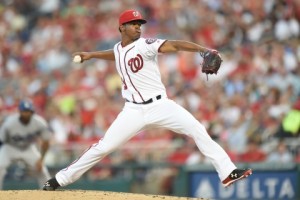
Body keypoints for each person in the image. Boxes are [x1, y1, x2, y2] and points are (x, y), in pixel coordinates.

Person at [43, 9, 252, 191]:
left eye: (139, 24)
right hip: (132, 111)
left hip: (161, 105)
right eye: (133, 24)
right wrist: (91, 55)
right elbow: (115, 54)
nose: (138, 27)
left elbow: (175, 45)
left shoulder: (146, 45)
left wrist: (202, 49)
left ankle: (228, 172)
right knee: (103, 147)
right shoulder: (118, 48)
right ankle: (58, 180)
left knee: (197, 129)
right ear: (121, 28)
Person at [0, 99, 51, 189]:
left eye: (28, 111)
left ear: (32, 112)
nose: (26, 113)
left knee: (42, 170)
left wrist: (41, 159)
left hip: (28, 148)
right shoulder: (9, 123)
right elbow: (2, 140)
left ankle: (48, 193)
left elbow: (46, 142)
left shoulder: (39, 123)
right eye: (24, 111)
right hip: (10, 147)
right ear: (19, 111)